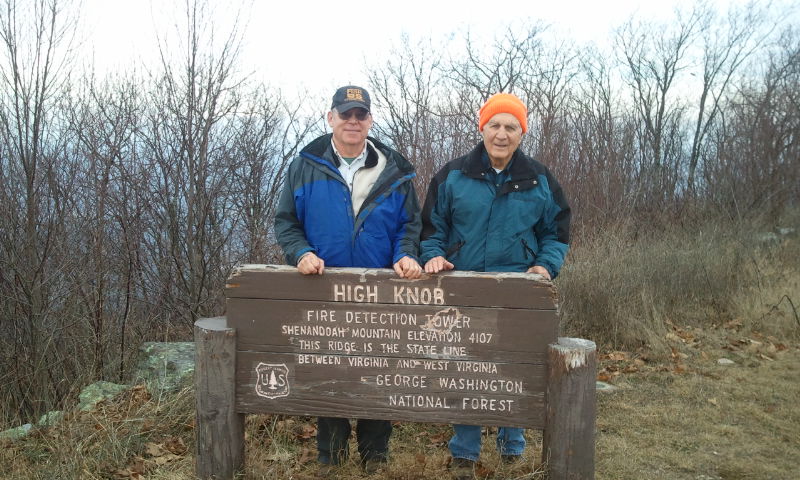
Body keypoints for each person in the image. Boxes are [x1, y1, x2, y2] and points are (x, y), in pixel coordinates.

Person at [420, 92, 570, 479]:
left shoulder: (538, 179)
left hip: (519, 290)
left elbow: (556, 233)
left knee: (514, 367)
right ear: (481, 127)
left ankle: (511, 449)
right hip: (464, 288)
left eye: (511, 126)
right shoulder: (453, 175)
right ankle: (464, 454)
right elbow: (431, 228)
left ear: (523, 131)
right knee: (467, 367)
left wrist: (544, 266)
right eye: (495, 125)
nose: (501, 134)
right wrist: (433, 256)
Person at [274, 85, 422, 474]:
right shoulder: (304, 165)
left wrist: (405, 254)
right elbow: (286, 223)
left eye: (360, 115)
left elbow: (410, 225)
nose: (353, 121)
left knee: (380, 372)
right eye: (345, 114)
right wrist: (301, 254)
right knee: (331, 373)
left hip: (381, 293)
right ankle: (331, 459)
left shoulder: (395, 169)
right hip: (324, 290)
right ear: (331, 118)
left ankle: (376, 459)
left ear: (370, 120)